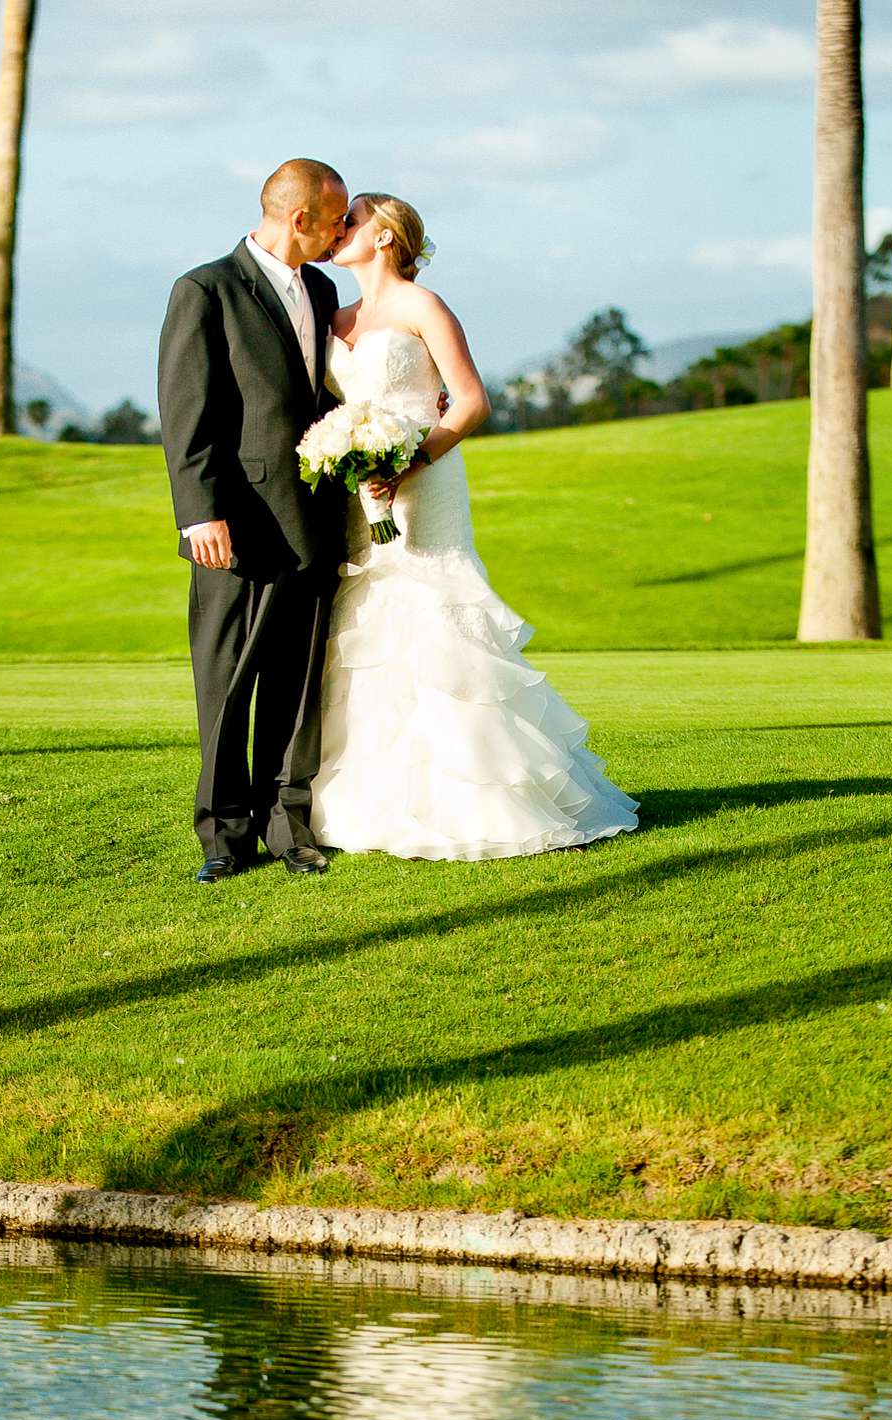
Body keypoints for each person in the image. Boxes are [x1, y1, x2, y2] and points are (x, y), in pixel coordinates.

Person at [312, 194, 639, 860]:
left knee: (433, 612)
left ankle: (483, 796)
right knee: (370, 619)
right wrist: (348, 455)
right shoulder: (334, 316)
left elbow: (470, 400)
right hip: (360, 488)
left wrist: (409, 461)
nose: (335, 230)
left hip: (422, 479)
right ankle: (371, 801)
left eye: (349, 221)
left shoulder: (422, 307)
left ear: (383, 235)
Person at [157, 159, 349, 882]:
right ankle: (222, 836)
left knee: (296, 686)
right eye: (333, 221)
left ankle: (286, 824)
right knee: (227, 683)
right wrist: (198, 513)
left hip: (313, 516)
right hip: (236, 523)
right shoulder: (203, 289)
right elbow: (187, 412)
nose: (340, 233)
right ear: (298, 219)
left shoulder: (323, 288)